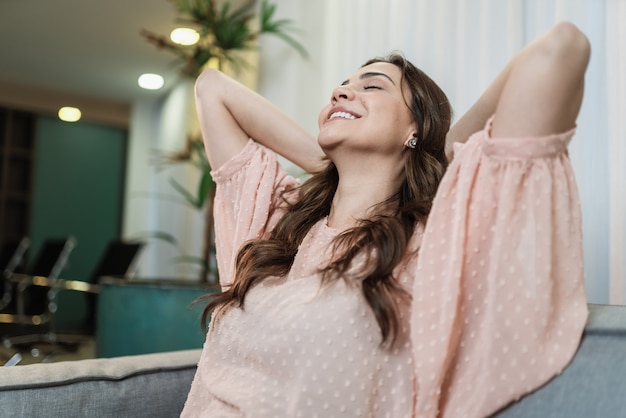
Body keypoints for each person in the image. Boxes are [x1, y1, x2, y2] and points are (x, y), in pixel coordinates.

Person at [181, 22, 590, 418]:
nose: (341, 92)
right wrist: (319, 158)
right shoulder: (281, 224)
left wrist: (442, 146)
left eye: (371, 85)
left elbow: (562, 49)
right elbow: (212, 88)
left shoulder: (431, 245)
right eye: (341, 87)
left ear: (415, 125)